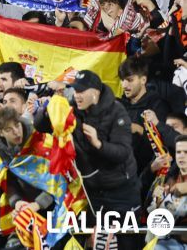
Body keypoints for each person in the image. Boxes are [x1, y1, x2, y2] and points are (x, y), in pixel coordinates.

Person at [35, 70, 141, 250]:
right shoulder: (73, 109)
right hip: (90, 192)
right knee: (89, 243)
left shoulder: (117, 111)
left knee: (123, 244)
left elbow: (122, 152)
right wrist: (51, 107)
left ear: (96, 92)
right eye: (75, 91)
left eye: (82, 91)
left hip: (120, 192)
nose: (77, 95)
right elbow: (41, 126)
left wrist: (99, 144)